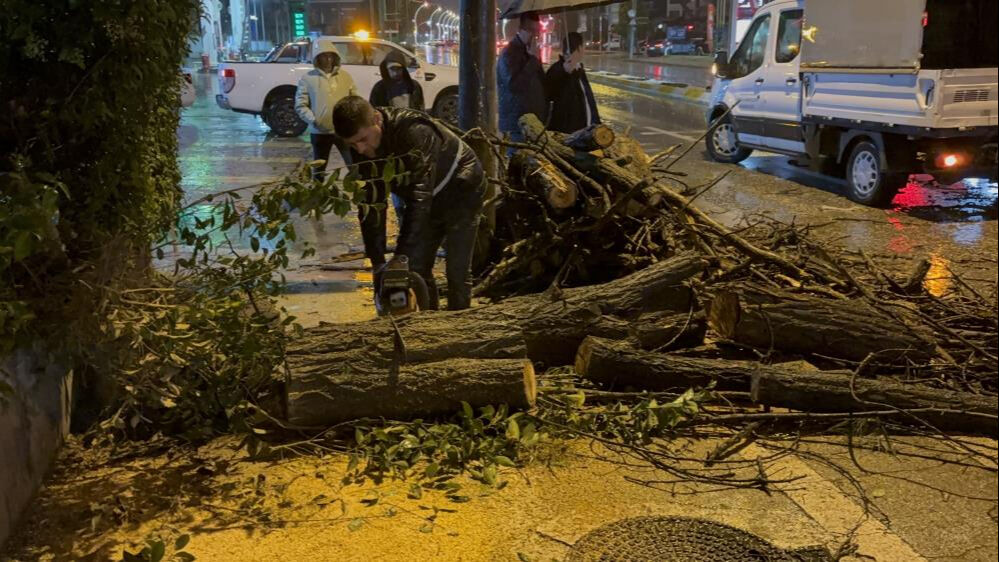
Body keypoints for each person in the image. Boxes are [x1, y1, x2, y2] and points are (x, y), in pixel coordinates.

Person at [332, 96, 485, 310]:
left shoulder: (414, 131)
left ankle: (458, 324)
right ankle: (428, 323)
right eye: (352, 144)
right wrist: (377, 262)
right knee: (418, 267)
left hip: (462, 188)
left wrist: (400, 256)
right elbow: (371, 204)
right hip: (427, 195)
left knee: (456, 269)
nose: (359, 149)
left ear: (377, 119)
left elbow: (419, 197)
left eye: (363, 139)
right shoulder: (362, 147)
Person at [295, 39, 358, 177]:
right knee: (319, 171)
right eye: (323, 56)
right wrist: (314, 120)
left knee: (354, 165)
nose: (328, 59)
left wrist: (351, 120)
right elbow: (300, 105)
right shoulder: (308, 78)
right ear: (317, 57)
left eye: (330, 55)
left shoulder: (345, 77)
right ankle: (319, 196)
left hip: (342, 130)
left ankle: (360, 192)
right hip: (320, 132)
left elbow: (354, 99)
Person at [497, 11, 548, 143]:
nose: (535, 35)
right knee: (517, 160)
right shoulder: (509, 53)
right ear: (520, 29)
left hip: (534, 122)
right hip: (517, 124)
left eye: (538, 31)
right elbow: (514, 86)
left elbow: (542, 82)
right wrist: (532, 59)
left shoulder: (530, 51)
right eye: (531, 30)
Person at [544, 32, 601, 134]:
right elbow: (549, 94)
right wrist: (564, 72)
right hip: (568, 133)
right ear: (579, 48)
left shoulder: (579, 69)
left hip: (584, 131)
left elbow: (588, 100)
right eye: (583, 47)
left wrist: (596, 124)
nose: (584, 50)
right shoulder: (557, 69)